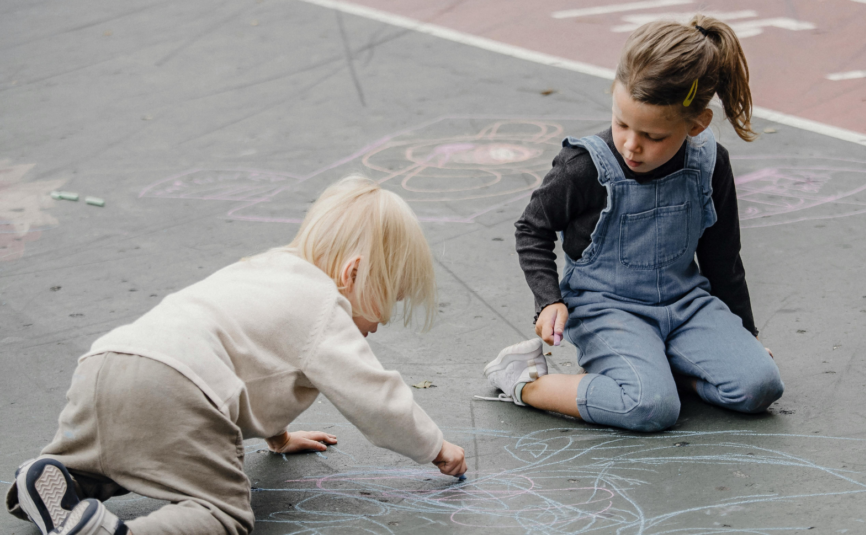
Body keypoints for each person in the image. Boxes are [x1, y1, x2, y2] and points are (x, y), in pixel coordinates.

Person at [8, 176, 467, 535]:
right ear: (352, 273)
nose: (382, 321)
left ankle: (60, 478)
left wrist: (279, 437)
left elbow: (253, 359)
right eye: (388, 301)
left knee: (135, 456)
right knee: (222, 513)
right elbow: (374, 397)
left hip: (107, 362)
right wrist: (434, 446)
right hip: (177, 387)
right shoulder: (325, 306)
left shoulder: (265, 269)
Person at [485, 16, 783, 432]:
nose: (631, 144)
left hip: (684, 304)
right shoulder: (584, 166)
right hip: (607, 309)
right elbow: (532, 228)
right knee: (649, 407)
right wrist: (549, 299)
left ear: (695, 125)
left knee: (760, 387)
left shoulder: (710, 165)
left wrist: (745, 333)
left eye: (652, 135)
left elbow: (722, 259)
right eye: (621, 123)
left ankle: (661, 368)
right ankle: (523, 380)